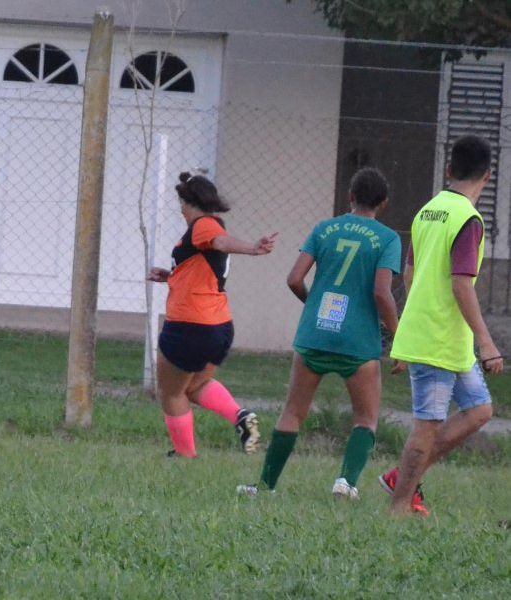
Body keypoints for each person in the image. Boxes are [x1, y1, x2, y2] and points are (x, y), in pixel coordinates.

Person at [236, 167, 401, 499]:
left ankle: (265, 486)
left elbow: (294, 279)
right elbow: (382, 293)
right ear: (383, 202)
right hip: (358, 342)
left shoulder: (324, 229)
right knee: (366, 417)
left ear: (350, 196)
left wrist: (314, 306)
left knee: (293, 412)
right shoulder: (387, 239)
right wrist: (398, 336)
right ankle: (346, 482)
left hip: (316, 334)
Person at [380, 135, 502, 517]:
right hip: (438, 337)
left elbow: (410, 268)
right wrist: (487, 342)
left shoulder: (428, 210)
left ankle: (403, 477)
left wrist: (420, 311)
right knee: (427, 424)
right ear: (488, 176)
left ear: (449, 170)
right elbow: (461, 284)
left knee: (480, 409)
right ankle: (399, 504)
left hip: (445, 336)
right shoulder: (468, 219)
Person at [148, 172, 276, 457]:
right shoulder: (207, 227)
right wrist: (171, 276)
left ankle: (185, 456)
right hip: (219, 327)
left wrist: (253, 249)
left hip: (189, 326)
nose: (180, 209)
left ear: (189, 203)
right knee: (195, 386)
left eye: (181, 203)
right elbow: (206, 269)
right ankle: (241, 418)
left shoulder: (203, 225)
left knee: (171, 393)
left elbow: (220, 242)